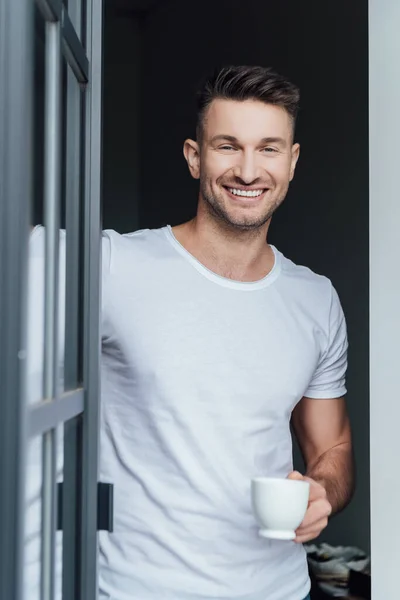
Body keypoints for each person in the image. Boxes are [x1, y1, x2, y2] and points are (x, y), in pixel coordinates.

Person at [27, 65, 354, 600]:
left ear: (292, 163)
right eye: (228, 146)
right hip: (137, 589)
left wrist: (322, 490)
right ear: (194, 156)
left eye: (269, 149)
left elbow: (334, 444)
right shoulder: (113, 266)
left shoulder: (316, 300)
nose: (248, 170)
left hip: (279, 590)